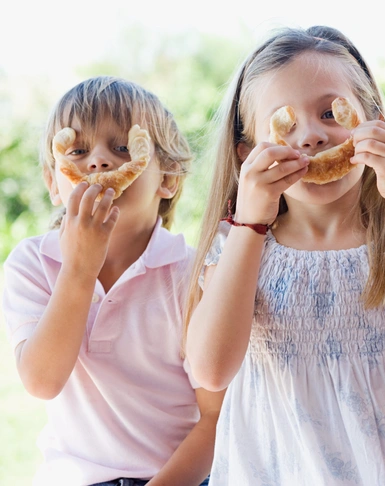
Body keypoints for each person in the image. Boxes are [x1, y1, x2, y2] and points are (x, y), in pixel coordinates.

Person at [184, 26, 385, 485]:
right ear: (247, 157)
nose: (313, 136)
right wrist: (250, 222)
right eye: (285, 123)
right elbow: (210, 369)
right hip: (277, 468)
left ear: (375, 123)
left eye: (330, 112)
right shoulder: (239, 244)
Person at [2, 76, 224, 486]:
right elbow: (42, 380)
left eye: (124, 148)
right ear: (54, 184)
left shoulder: (194, 276)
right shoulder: (32, 264)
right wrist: (79, 269)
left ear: (168, 179)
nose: (100, 162)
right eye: (78, 151)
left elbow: (215, 417)